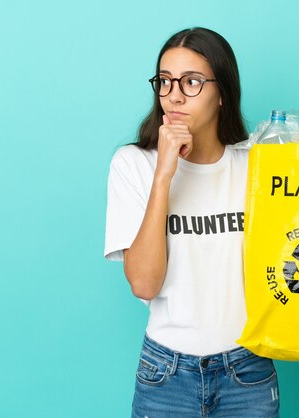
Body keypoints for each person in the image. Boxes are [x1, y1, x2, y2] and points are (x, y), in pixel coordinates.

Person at [104, 27, 280, 417]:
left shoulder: (257, 166)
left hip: (247, 371)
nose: (174, 95)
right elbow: (144, 283)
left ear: (222, 93)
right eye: (165, 82)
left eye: (192, 82)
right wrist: (164, 174)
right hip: (166, 374)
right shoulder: (133, 164)